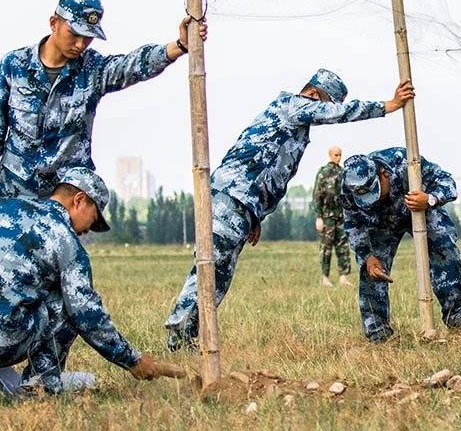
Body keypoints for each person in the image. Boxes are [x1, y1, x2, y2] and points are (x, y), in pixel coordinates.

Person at [164, 70, 415, 351]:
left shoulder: (293, 124)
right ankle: (179, 335)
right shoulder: (291, 105)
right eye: (325, 105)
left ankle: (186, 334)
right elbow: (339, 114)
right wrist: (388, 105)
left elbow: (265, 168)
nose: (324, 114)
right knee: (211, 267)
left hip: (241, 203)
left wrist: (255, 215)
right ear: (313, 95)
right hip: (230, 198)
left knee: (220, 274)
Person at [0, 168, 176, 401]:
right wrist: (132, 360)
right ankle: (37, 389)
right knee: (67, 305)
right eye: (94, 218)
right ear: (79, 200)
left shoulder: (0, 205)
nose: (90, 228)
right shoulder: (69, 245)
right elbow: (88, 316)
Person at [0, 0, 206, 199]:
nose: (81, 44)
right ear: (54, 23)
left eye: (88, 37)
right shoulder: (14, 66)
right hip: (12, 198)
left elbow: (132, 65)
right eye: (74, 34)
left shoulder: (92, 70)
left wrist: (179, 46)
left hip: (64, 204)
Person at [340, 147, 461, 343]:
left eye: (375, 193)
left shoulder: (403, 162)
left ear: (383, 174)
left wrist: (429, 199)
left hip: (420, 209)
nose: (371, 201)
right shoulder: (349, 185)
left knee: (444, 245)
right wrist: (366, 256)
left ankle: (456, 314)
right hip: (380, 223)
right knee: (372, 268)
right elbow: (352, 223)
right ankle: (377, 331)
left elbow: (447, 182)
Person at [313, 146, 352, 286]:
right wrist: (319, 217)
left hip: (341, 216)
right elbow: (317, 194)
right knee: (326, 247)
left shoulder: (343, 173)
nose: (338, 157)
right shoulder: (323, 172)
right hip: (327, 216)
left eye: (340, 155)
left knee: (343, 247)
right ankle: (325, 278)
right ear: (330, 155)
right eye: (336, 155)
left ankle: (343, 277)